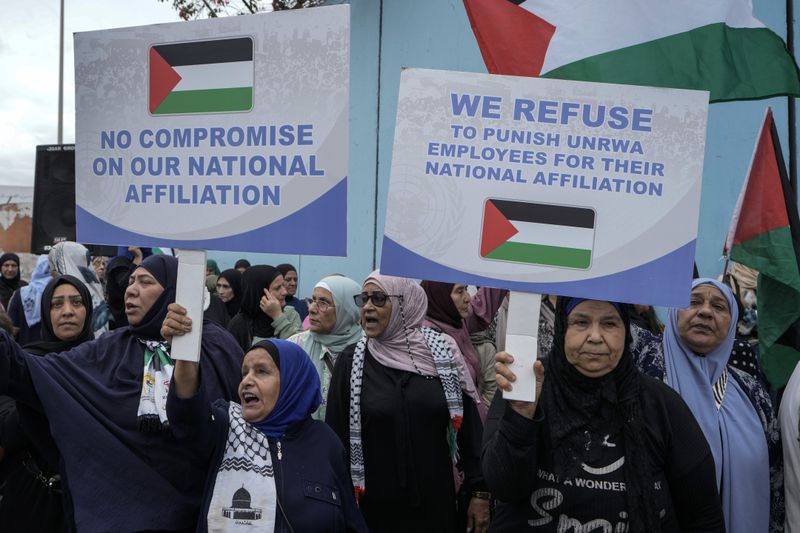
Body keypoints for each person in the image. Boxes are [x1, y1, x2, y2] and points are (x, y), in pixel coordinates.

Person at [0, 254, 244, 532]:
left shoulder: (215, 346)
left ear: (173, 291)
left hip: (203, 514)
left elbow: (221, 429)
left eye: (145, 281)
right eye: (130, 281)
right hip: (126, 516)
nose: (131, 289)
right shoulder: (109, 349)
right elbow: (31, 372)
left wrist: (185, 357)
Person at [485, 297, 725, 532]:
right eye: (581, 322)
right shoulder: (527, 388)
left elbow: (703, 516)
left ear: (626, 332)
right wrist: (521, 415)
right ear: (562, 328)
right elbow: (504, 488)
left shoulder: (660, 404)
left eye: (609, 324)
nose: (596, 337)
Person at [162, 304, 368, 533]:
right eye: (244, 373)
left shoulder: (325, 441)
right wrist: (185, 354)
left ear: (293, 382)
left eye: (261, 371)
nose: (247, 381)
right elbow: (187, 414)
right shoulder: (226, 427)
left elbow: (351, 521)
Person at [326, 271, 490, 533]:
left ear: (405, 303)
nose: (368, 306)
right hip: (374, 509)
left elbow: (469, 429)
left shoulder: (441, 353)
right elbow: (337, 437)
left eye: (379, 298)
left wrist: (479, 493)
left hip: (436, 505)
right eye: (364, 299)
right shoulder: (352, 362)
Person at [656, 278, 782, 533]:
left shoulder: (752, 391)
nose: (705, 311)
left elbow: (775, 476)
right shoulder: (646, 378)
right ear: (672, 312)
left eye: (719, 306)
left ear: (733, 321)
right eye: (693, 302)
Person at [0, 275, 95, 532]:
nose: (67, 311)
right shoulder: (26, 362)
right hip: (33, 498)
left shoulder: (103, 362)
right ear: (45, 312)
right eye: (56, 304)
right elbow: (8, 429)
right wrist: (45, 389)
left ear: (88, 309)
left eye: (76, 302)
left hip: (90, 501)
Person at [287, 275, 363, 420]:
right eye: (313, 300)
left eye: (323, 302)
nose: (312, 309)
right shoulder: (295, 346)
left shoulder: (369, 349)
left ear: (347, 309)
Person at [421, 281, 506, 408]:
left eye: (466, 289)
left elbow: (481, 308)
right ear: (441, 296)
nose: (468, 298)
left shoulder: (455, 322)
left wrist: (505, 271)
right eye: (459, 291)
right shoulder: (428, 342)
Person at [228, 265, 302, 352]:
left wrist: (278, 317)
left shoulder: (290, 315)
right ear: (260, 293)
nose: (285, 292)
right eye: (278, 288)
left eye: (283, 285)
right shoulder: (240, 325)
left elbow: (300, 351)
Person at [48, 241, 108, 336]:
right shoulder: (94, 285)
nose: (51, 272)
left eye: (54, 266)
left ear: (64, 264)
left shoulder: (74, 290)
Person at [7, 255, 51, 345]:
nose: (10, 269)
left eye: (14, 265)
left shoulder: (22, 292)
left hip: (25, 350)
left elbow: (13, 327)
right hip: (55, 351)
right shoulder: (60, 292)